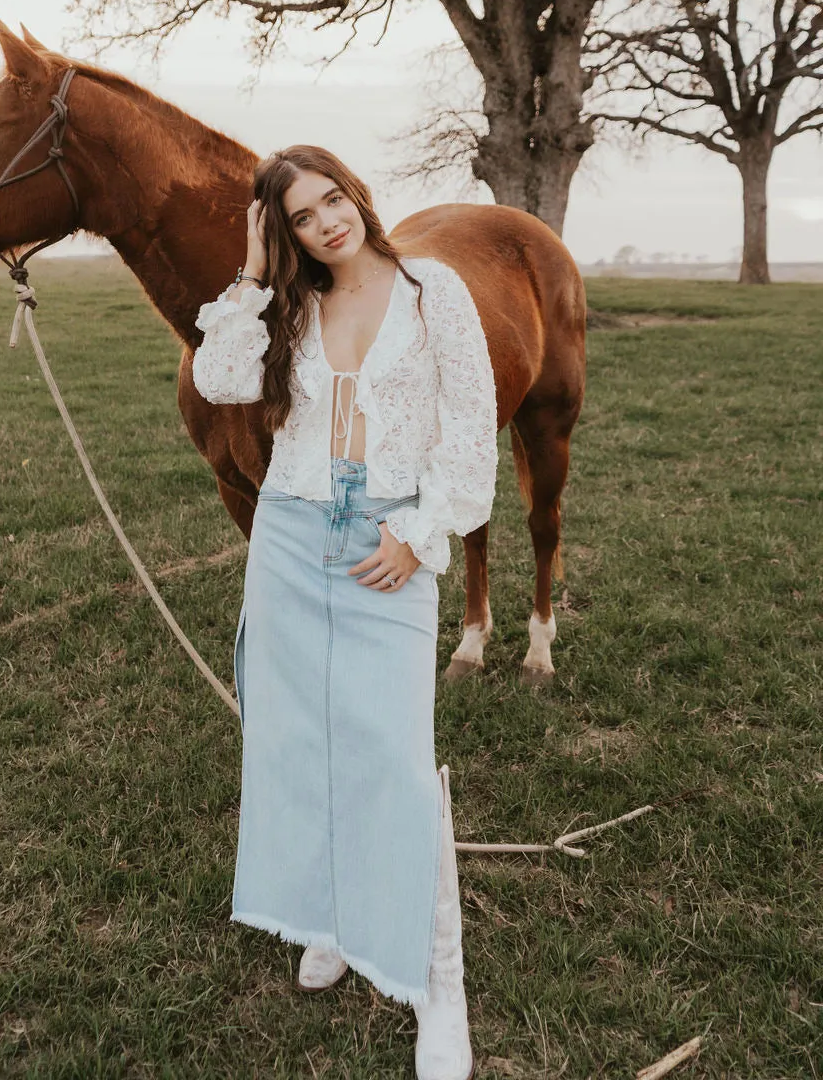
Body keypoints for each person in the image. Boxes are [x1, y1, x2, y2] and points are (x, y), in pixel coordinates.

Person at [191, 145, 498, 1080]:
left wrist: (419, 532)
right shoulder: (288, 307)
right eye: (301, 217)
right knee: (299, 744)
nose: (327, 222)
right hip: (289, 539)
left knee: (397, 762)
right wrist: (248, 275)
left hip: (390, 544)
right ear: (284, 234)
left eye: (332, 199)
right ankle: (329, 919)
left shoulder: (430, 288)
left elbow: (470, 427)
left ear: (355, 194)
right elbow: (219, 381)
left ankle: (438, 983)